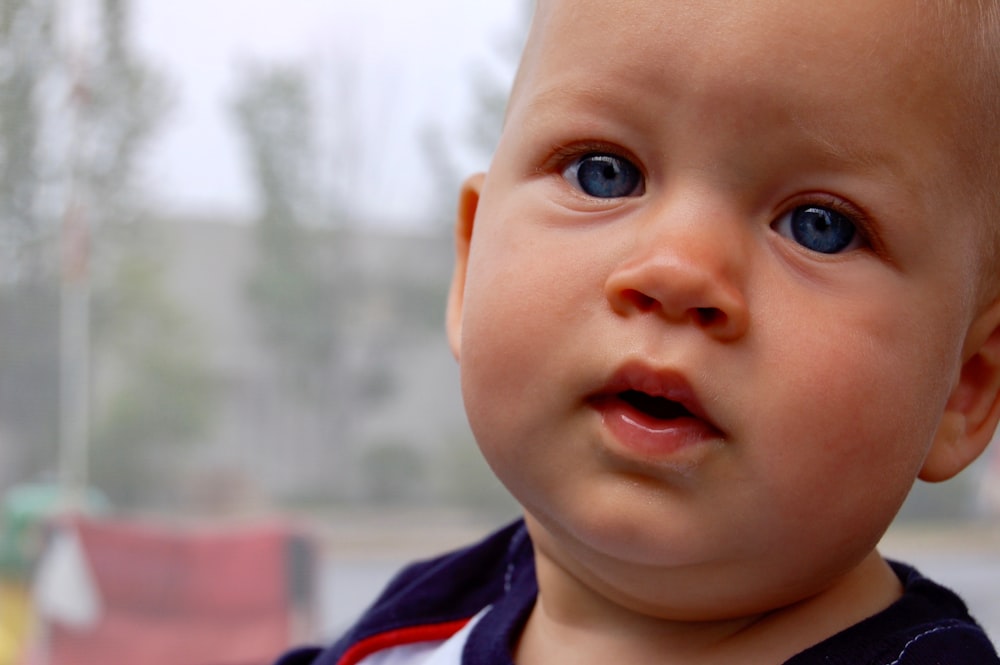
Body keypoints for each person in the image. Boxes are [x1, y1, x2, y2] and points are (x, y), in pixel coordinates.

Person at [275, 0, 1000, 662]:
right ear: (470, 264)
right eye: (604, 174)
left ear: (964, 385)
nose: (677, 271)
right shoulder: (406, 633)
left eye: (821, 227)